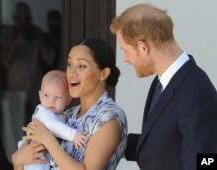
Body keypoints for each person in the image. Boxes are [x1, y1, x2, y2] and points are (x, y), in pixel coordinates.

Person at [110, 3, 217, 170]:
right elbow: (167, 145)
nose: (125, 59)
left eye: (125, 50)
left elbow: (204, 162)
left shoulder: (197, 93)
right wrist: (109, 140)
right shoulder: (162, 81)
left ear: (142, 47)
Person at [11, 38, 128, 170]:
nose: (72, 73)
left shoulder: (109, 118)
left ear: (104, 74)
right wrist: (18, 161)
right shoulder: (68, 114)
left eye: (82, 66)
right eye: (69, 64)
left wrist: (48, 140)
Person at [18, 70, 88, 170]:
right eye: (46, 95)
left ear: (67, 100)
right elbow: (55, 127)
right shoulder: (43, 113)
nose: (51, 101)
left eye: (58, 97)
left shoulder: (61, 115)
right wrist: (74, 135)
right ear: (40, 96)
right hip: (35, 158)